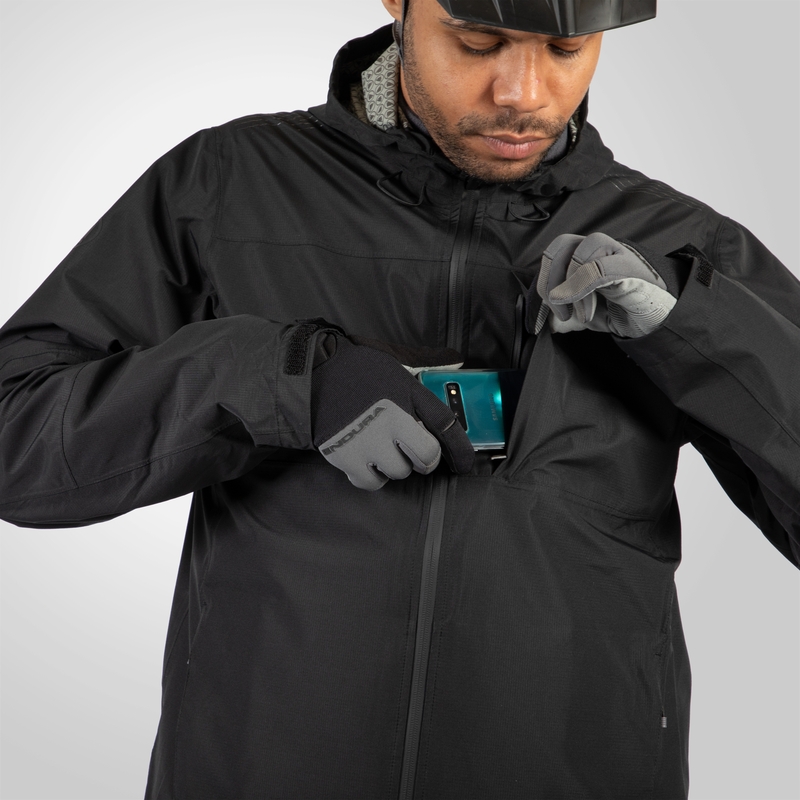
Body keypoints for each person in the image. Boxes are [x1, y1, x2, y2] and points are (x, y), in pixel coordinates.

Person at [1, 1, 798, 798]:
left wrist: (695, 329)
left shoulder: (678, 246)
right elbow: (17, 435)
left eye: (565, 49)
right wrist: (283, 379)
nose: (523, 93)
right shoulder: (227, 185)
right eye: (478, 42)